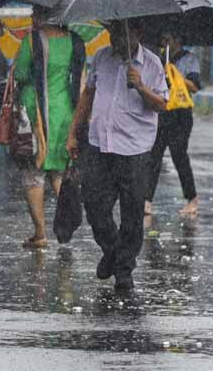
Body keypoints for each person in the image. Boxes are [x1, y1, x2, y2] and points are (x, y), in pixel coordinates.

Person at [67, 19, 168, 292]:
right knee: (95, 205)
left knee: (132, 213)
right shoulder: (101, 57)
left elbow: (162, 104)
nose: (115, 39)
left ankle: (124, 270)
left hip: (134, 148)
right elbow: (87, 96)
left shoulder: (152, 64)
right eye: (111, 33)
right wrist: (73, 132)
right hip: (100, 144)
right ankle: (112, 250)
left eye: (120, 34)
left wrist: (141, 86)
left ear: (138, 32)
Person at [13, 5, 86, 249]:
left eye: (36, 13)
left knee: (34, 173)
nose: (32, 17)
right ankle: (65, 227)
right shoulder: (75, 41)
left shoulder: (32, 41)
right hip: (65, 112)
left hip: (36, 113)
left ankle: (40, 234)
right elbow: (80, 78)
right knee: (59, 172)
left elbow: (20, 73)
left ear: (45, 15)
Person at [145, 30, 201, 218]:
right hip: (163, 112)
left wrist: (176, 74)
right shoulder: (159, 58)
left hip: (181, 114)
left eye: (167, 39)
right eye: (163, 39)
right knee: (154, 156)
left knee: (179, 155)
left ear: (177, 40)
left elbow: (195, 86)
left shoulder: (188, 59)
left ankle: (192, 198)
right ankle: (147, 200)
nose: (164, 42)